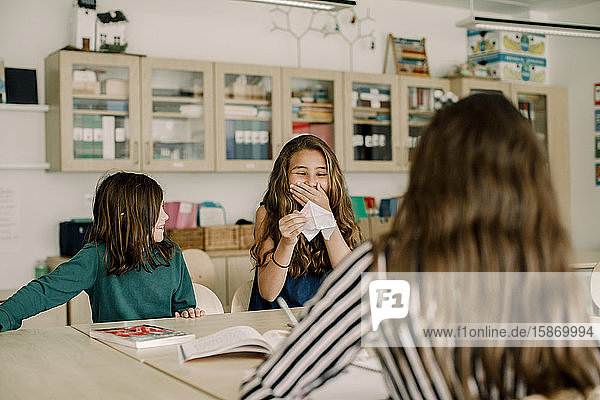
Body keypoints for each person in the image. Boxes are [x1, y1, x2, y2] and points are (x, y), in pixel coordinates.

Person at [240, 93, 600, 399]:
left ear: (427, 173)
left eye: (320, 173)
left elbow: (266, 389)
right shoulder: (549, 272)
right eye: (301, 173)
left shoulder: (382, 270)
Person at [0, 171, 204, 332]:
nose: (166, 217)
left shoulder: (172, 254)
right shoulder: (96, 256)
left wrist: (188, 314)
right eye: (158, 209)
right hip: (115, 354)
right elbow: (45, 291)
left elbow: (185, 307)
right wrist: (5, 315)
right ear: (126, 216)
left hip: (165, 350)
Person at [249, 134, 360, 310]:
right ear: (284, 177)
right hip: (276, 316)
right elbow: (268, 292)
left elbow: (350, 279)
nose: (311, 182)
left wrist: (326, 219)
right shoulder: (268, 213)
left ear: (332, 178)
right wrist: (286, 243)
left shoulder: (339, 211)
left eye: (321, 174)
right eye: (301, 173)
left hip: (321, 316)